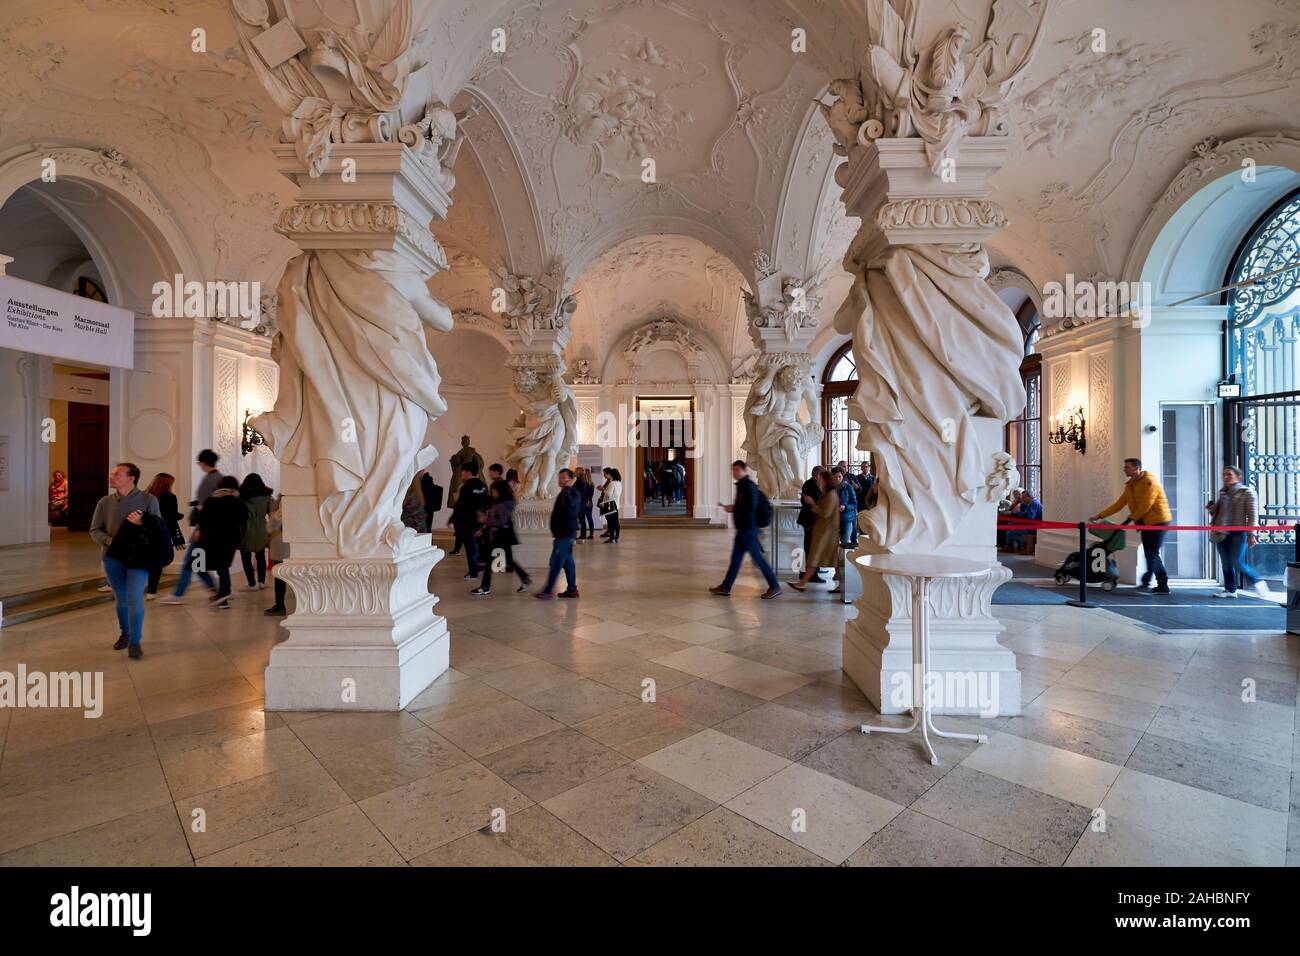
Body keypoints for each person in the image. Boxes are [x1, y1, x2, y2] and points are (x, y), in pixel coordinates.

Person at [90, 462, 162, 658]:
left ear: (131, 478)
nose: (111, 477)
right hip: (112, 558)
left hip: (139, 557)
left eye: (117, 475)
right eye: (112, 474)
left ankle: (135, 641)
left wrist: (142, 522)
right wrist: (111, 541)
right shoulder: (104, 502)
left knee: (134, 597)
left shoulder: (148, 499)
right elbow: (94, 530)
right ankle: (125, 634)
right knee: (121, 597)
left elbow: (157, 528)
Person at [1089, 457, 1172, 594]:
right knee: (1150, 553)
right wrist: (1099, 516)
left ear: (1136, 468)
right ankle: (1147, 582)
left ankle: (1162, 584)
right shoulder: (1130, 486)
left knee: (1152, 554)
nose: (1124, 469)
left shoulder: (1149, 482)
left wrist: (1132, 517)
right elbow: (1119, 504)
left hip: (1158, 521)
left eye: (1127, 467)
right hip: (1145, 522)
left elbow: (1147, 504)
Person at [710, 461, 781, 599]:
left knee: (759, 560)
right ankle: (726, 587)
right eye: (733, 470)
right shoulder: (742, 486)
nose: (734, 472)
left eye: (737, 470)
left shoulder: (749, 487)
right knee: (735, 559)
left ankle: (774, 586)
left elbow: (751, 507)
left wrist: (734, 508)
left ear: (743, 470)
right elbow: (744, 506)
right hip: (743, 530)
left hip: (748, 530)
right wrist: (734, 507)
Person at [163, 449, 223, 603]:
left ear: (203, 463)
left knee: (191, 561)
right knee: (197, 561)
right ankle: (215, 588)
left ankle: (178, 594)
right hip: (213, 528)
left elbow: (207, 508)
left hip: (204, 528)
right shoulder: (219, 478)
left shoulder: (209, 480)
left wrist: (200, 528)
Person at [1208, 466, 1273, 601]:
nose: (1225, 477)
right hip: (1221, 533)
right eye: (1224, 474)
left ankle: (1258, 583)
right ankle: (1230, 590)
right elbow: (1219, 515)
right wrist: (1212, 509)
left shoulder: (1246, 492)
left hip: (1238, 533)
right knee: (1226, 563)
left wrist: (1251, 534)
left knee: (1236, 561)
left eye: (1229, 475)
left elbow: (1253, 515)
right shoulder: (1223, 493)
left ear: (1239, 477)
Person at [192, 475, 248, 609]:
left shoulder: (211, 501)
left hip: (210, 539)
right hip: (230, 540)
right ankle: (223, 594)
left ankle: (221, 593)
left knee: (198, 566)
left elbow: (202, 519)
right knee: (223, 567)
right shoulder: (238, 502)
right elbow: (243, 521)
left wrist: (199, 531)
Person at [473, 479, 531, 596]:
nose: (492, 492)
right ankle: (525, 578)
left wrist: (485, 520)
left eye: (493, 490)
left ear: (499, 490)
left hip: (500, 535)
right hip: (503, 535)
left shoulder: (503, 504)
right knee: (508, 559)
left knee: (489, 560)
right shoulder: (503, 502)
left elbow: (501, 521)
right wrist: (484, 528)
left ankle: (485, 587)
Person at [790, 469, 841, 593]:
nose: (819, 481)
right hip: (822, 532)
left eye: (821, 479)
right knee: (816, 558)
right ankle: (802, 583)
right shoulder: (827, 493)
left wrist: (812, 504)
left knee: (827, 559)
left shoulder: (831, 495)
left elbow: (825, 513)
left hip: (827, 533)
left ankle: (803, 583)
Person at [535, 468, 581, 600]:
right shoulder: (565, 493)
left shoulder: (573, 493)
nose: (560, 480)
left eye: (563, 478)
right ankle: (572, 590)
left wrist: (567, 488)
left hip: (565, 535)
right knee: (568, 563)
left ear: (570, 480)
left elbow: (568, 508)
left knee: (556, 562)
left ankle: (548, 591)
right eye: (559, 477)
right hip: (562, 534)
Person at [144, 472, 183, 599]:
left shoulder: (145, 495)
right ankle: (151, 591)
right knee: (157, 562)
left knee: (145, 559)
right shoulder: (170, 497)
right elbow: (171, 517)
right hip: (161, 532)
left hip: (145, 532)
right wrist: (177, 538)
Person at [447, 461, 488, 579]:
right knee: (479, 546)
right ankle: (480, 567)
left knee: (471, 548)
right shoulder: (483, 486)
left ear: (468, 472)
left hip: (468, 522)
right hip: (480, 522)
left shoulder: (466, 487)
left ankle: (473, 573)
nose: (461, 475)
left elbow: (460, 505)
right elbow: (486, 504)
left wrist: (452, 519)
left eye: (462, 472)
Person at [239, 472, 274, 590]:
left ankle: (251, 583)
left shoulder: (241, 495)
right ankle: (262, 582)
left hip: (245, 529)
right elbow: (272, 514)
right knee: (260, 556)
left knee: (246, 557)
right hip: (261, 528)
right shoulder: (267, 495)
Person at [797, 465, 827, 584]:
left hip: (810, 521)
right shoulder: (812, 485)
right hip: (811, 521)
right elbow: (813, 504)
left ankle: (806, 572)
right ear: (818, 475)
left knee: (810, 547)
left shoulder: (810, 484)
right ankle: (812, 575)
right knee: (812, 548)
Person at [264, 494, 289, 616]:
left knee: (279, 575)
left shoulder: (284, 500)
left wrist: (268, 526)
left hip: (281, 542)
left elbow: (275, 522)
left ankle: (280, 605)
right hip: (290, 543)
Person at [833, 467, 858, 547]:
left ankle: (843, 559)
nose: (837, 479)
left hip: (846, 519)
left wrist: (845, 506)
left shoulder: (848, 487)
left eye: (839, 476)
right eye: (835, 477)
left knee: (845, 543)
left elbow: (854, 504)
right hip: (833, 519)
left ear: (842, 476)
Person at [598, 467, 622, 543]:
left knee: (611, 523)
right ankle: (616, 538)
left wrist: (603, 490)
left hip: (610, 505)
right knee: (616, 522)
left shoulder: (612, 483)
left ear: (612, 475)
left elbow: (608, 494)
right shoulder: (619, 483)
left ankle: (612, 538)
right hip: (616, 504)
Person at [574, 467, 595, 541]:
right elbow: (591, 495)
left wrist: (586, 501)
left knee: (582, 519)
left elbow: (582, 494)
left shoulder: (583, 483)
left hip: (584, 502)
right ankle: (591, 534)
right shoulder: (592, 484)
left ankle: (583, 535)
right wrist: (589, 501)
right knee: (589, 518)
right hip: (589, 503)